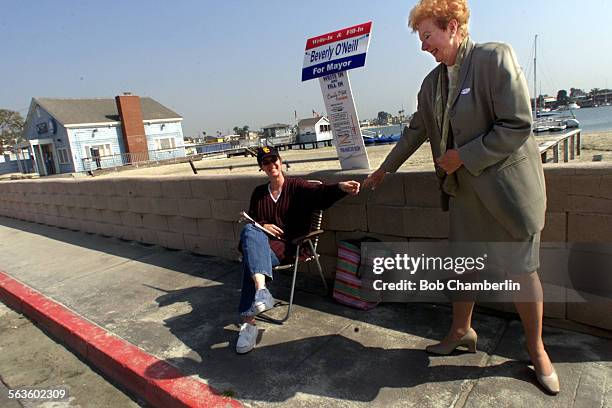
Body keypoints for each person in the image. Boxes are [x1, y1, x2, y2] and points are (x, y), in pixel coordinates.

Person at [363, 0, 559, 394]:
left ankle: (536, 350)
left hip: (506, 191)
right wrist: (386, 168)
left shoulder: (494, 58)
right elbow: (415, 130)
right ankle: (461, 331)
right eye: (421, 39)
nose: (423, 47)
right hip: (465, 192)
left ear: (452, 26)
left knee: (523, 272)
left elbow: (518, 124)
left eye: (427, 37)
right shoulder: (432, 83)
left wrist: (461, 156)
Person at [236, 146, 360, 354]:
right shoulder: (259, 193)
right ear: (261, 167)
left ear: (281, 161)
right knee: (250, 231)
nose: (271, 164)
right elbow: (253, 218)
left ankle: (249, 322)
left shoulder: (297, 187)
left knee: (251, 258)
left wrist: (340, 187)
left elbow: (320, 193)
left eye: (274, 159)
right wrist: (263, 225)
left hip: (291, 246)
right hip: (263, 245)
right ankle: (261, 292)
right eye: (265, 162)